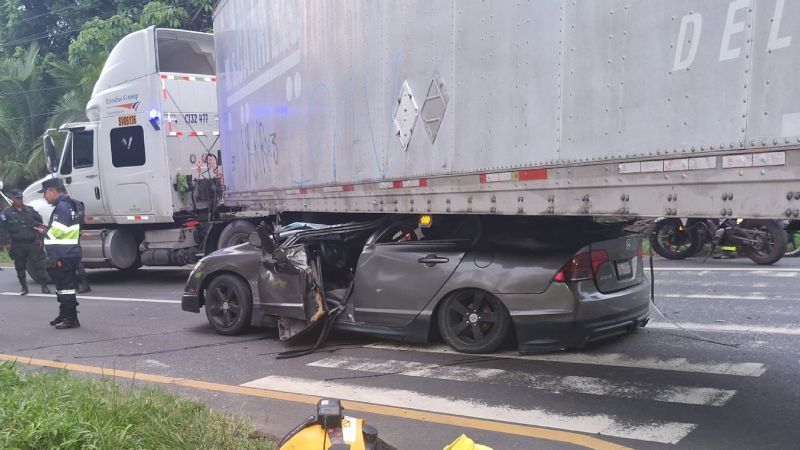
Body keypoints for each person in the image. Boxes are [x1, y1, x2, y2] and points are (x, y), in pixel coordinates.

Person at [38, 178, 82, 329]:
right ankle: (65, 313)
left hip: (63, 254)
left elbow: (55, 233)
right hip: (67, 252)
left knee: (66, 287)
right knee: (63, 286)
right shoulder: (69, 204)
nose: (44, 197)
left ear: (52, 191)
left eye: (45, 193)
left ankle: (71, 318)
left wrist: (44, 233)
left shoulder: (61, 207)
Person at [0, 189, 52, 295]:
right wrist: (6, 243)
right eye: (17, 198)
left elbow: (39, 224)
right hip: (17, 244)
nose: (20, 200)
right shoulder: (6, 213)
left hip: (32, 242)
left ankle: (44, 286)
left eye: (21, 198)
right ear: (12, 199)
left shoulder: (30, 210)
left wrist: (40, 238)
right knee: (20, 267)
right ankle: (24, 288)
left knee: (39, 265)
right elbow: (2, 229)